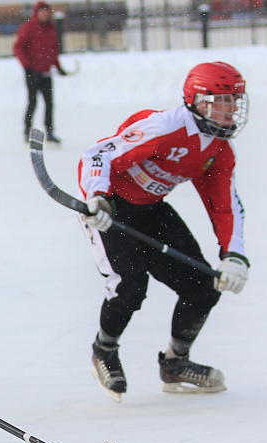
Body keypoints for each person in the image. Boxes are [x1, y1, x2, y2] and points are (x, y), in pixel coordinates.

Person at [77, 61, 250, 401]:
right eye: (222, 101)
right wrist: (96, 196)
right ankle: (105, 350)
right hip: (111, 208)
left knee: (203, 286)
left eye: (235, 101)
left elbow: (225, 204)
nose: (231, 110)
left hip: (151, 210)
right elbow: (98, 154)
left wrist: (234, 255)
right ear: (198, 101)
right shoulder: (164, 127)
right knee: (130, 285)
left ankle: (175, 364)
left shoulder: (219, 150)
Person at [13, 1, 67, 144]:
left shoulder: (51, 29)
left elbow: (53, 51)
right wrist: (27, 66)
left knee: (49, 103)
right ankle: (27, 130)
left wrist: (58, 67)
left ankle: (50, 131)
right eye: (41, 12)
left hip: (45, 72)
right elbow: (18, 48)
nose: (44, 14)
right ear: (36, 13)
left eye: (46, 12)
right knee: (32, 102)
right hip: (32, 72)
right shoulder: (28, 28)